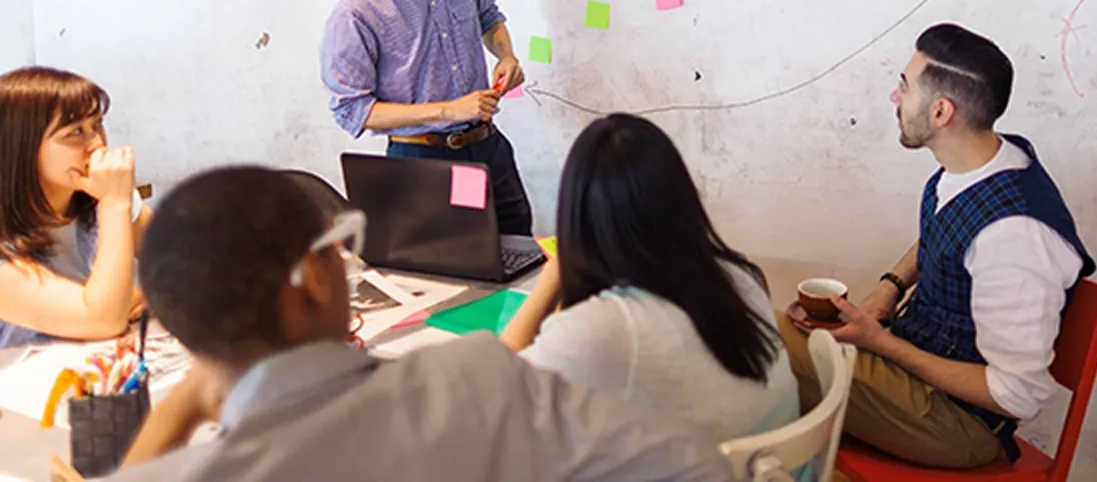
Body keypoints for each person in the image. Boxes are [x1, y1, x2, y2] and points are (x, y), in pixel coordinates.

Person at [113, 166, 731, 482]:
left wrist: (187, 401)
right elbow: (694, 463)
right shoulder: (479, 382)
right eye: (339, 246)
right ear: (313, 276)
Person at [779, 23, 1095, 470]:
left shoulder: (1015, 236)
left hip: (959, 426)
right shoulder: (980, 165)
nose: (894, 97)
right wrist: (888, 291)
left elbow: (1016, 394)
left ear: (941, 111)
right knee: (777, 342)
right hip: (915, 375)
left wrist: (882, 345)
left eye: (904, 86)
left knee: (760, 336)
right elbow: (945, 230)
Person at [501, 114, 799, 443]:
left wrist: (552, 277)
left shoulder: (603, 330)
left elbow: (496, 392)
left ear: (578, 215)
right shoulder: (740, 276)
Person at [320, 0, 532, 235]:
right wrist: (448, 110)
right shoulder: (358, 11)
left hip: (488, 148)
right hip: (423, 162)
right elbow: (353, 110)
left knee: (519, 252)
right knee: (458, 272)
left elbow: (490, 18)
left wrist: (506, 55)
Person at [0, 67, 150, 347]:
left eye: (97, 125)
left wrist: (148, 293)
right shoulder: (110, 201)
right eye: (75, 132)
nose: (96, 144)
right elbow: (102, 319)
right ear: (21, 147)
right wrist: (114, 203)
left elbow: (187, 259)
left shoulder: (95, 201)